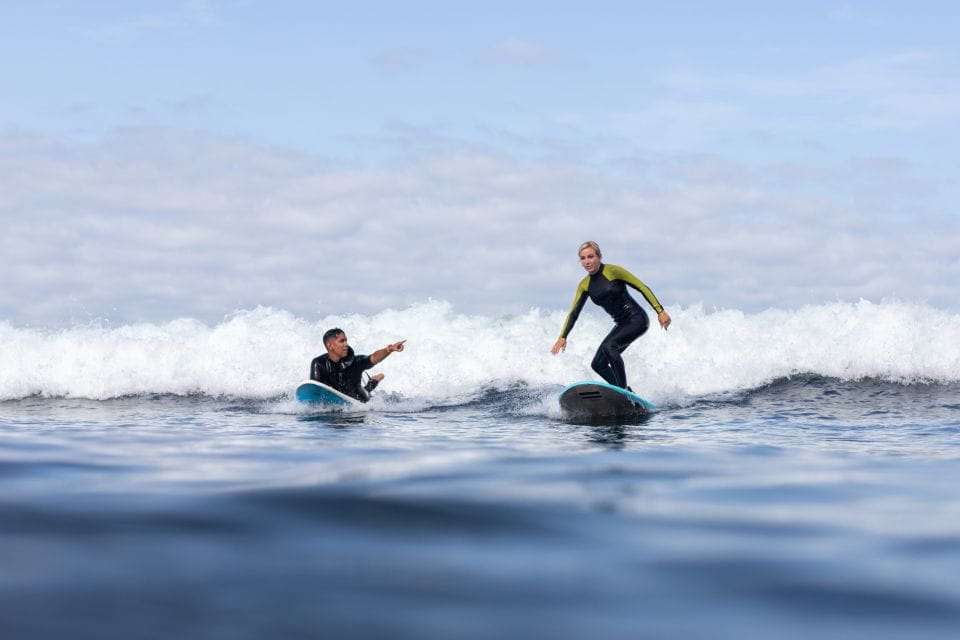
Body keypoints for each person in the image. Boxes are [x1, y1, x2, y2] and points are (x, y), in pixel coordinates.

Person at [550, 241, 671, 390]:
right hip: (621, 324)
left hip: (636, 319)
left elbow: (641, 287)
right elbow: (574, 312)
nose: (587, 261)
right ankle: (626, 394)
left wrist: (660, 311)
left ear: (599, 257)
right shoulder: (584, 285)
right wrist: (563, 336)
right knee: (598, 364)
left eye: (590, 256)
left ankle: (623, 391)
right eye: (583, 258)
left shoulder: (613, 271)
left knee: (609, 347)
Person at [310, 328, 406, 402]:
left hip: (361, 400)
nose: (346, 344)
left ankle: (374, 381)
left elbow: (373, 357)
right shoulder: (318, 364)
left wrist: (389, 349)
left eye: (346, 340)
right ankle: (374, 381)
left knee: (366, 391)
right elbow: (314, 389)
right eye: (342, 341)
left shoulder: (356, 361)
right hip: (339, 397)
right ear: (330, 345)